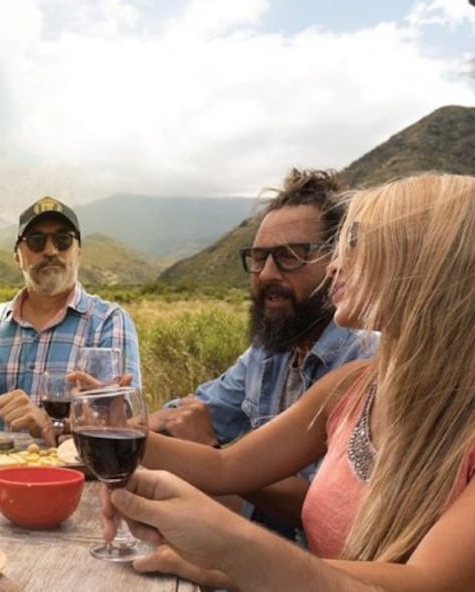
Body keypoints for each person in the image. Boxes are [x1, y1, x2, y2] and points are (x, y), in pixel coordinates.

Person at [106, 173, 475, 592]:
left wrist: (228, 555)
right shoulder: (356, 386)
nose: (334, 264)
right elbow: (225, 469)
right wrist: (99, 431)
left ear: (429, 259)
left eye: (355, 241)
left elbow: (431, 586)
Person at [148, 168, 375, 539]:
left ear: (339, 261)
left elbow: (332, 512)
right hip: (269, 532)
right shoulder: (271, 350)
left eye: (290, 256)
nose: (267, 273)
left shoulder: (363, 361)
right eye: (259, 257)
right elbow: (192, 411)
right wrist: (107, 420)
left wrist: (210, 451)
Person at [0, 196, 141, 439]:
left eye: (63, 240)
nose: (51, 251)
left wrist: (51, 424)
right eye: (36, 241)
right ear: (17, 257)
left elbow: (124, 425)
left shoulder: (109, 322)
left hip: (76, 473)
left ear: (78, 252)